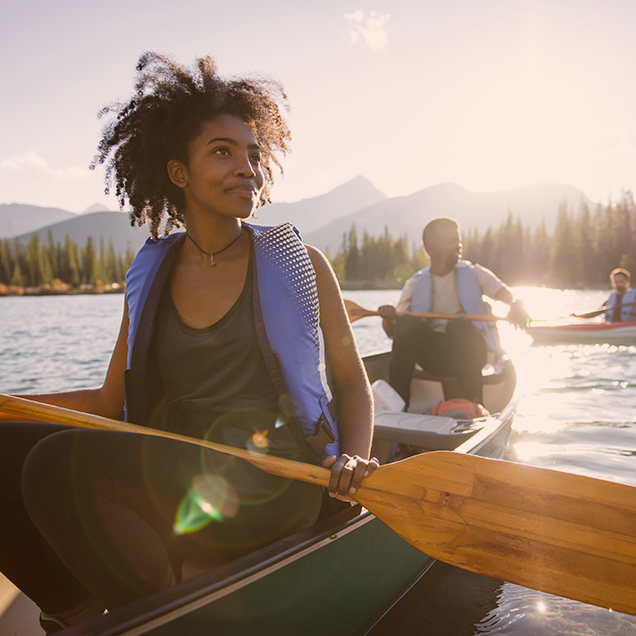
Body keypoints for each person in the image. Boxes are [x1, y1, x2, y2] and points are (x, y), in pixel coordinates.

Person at [0, 52, 377, 634]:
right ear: (179, 174)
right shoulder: (150, 273)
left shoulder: (301, 264)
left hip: (271, 481)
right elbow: (107, 404)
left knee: (54, 466)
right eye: (222, 152)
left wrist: (353, 455)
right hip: (175, 475)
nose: (246, 168)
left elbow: (352, 382)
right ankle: (78, 614)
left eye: (252, 154)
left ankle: (161, 605)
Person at [378, 217, 530, 409]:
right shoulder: (415, 283)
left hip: (472, 353)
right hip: (435, 357)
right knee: (407, 321)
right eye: (451, 241)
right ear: (431, 247)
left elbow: (508, 296)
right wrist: (389, 319)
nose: (458, 246)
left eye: (459, 240)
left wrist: (516, 305)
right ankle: (398, 407)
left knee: (458, 324)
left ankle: (476, 405)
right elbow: (395, 331)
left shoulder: (475, 273)